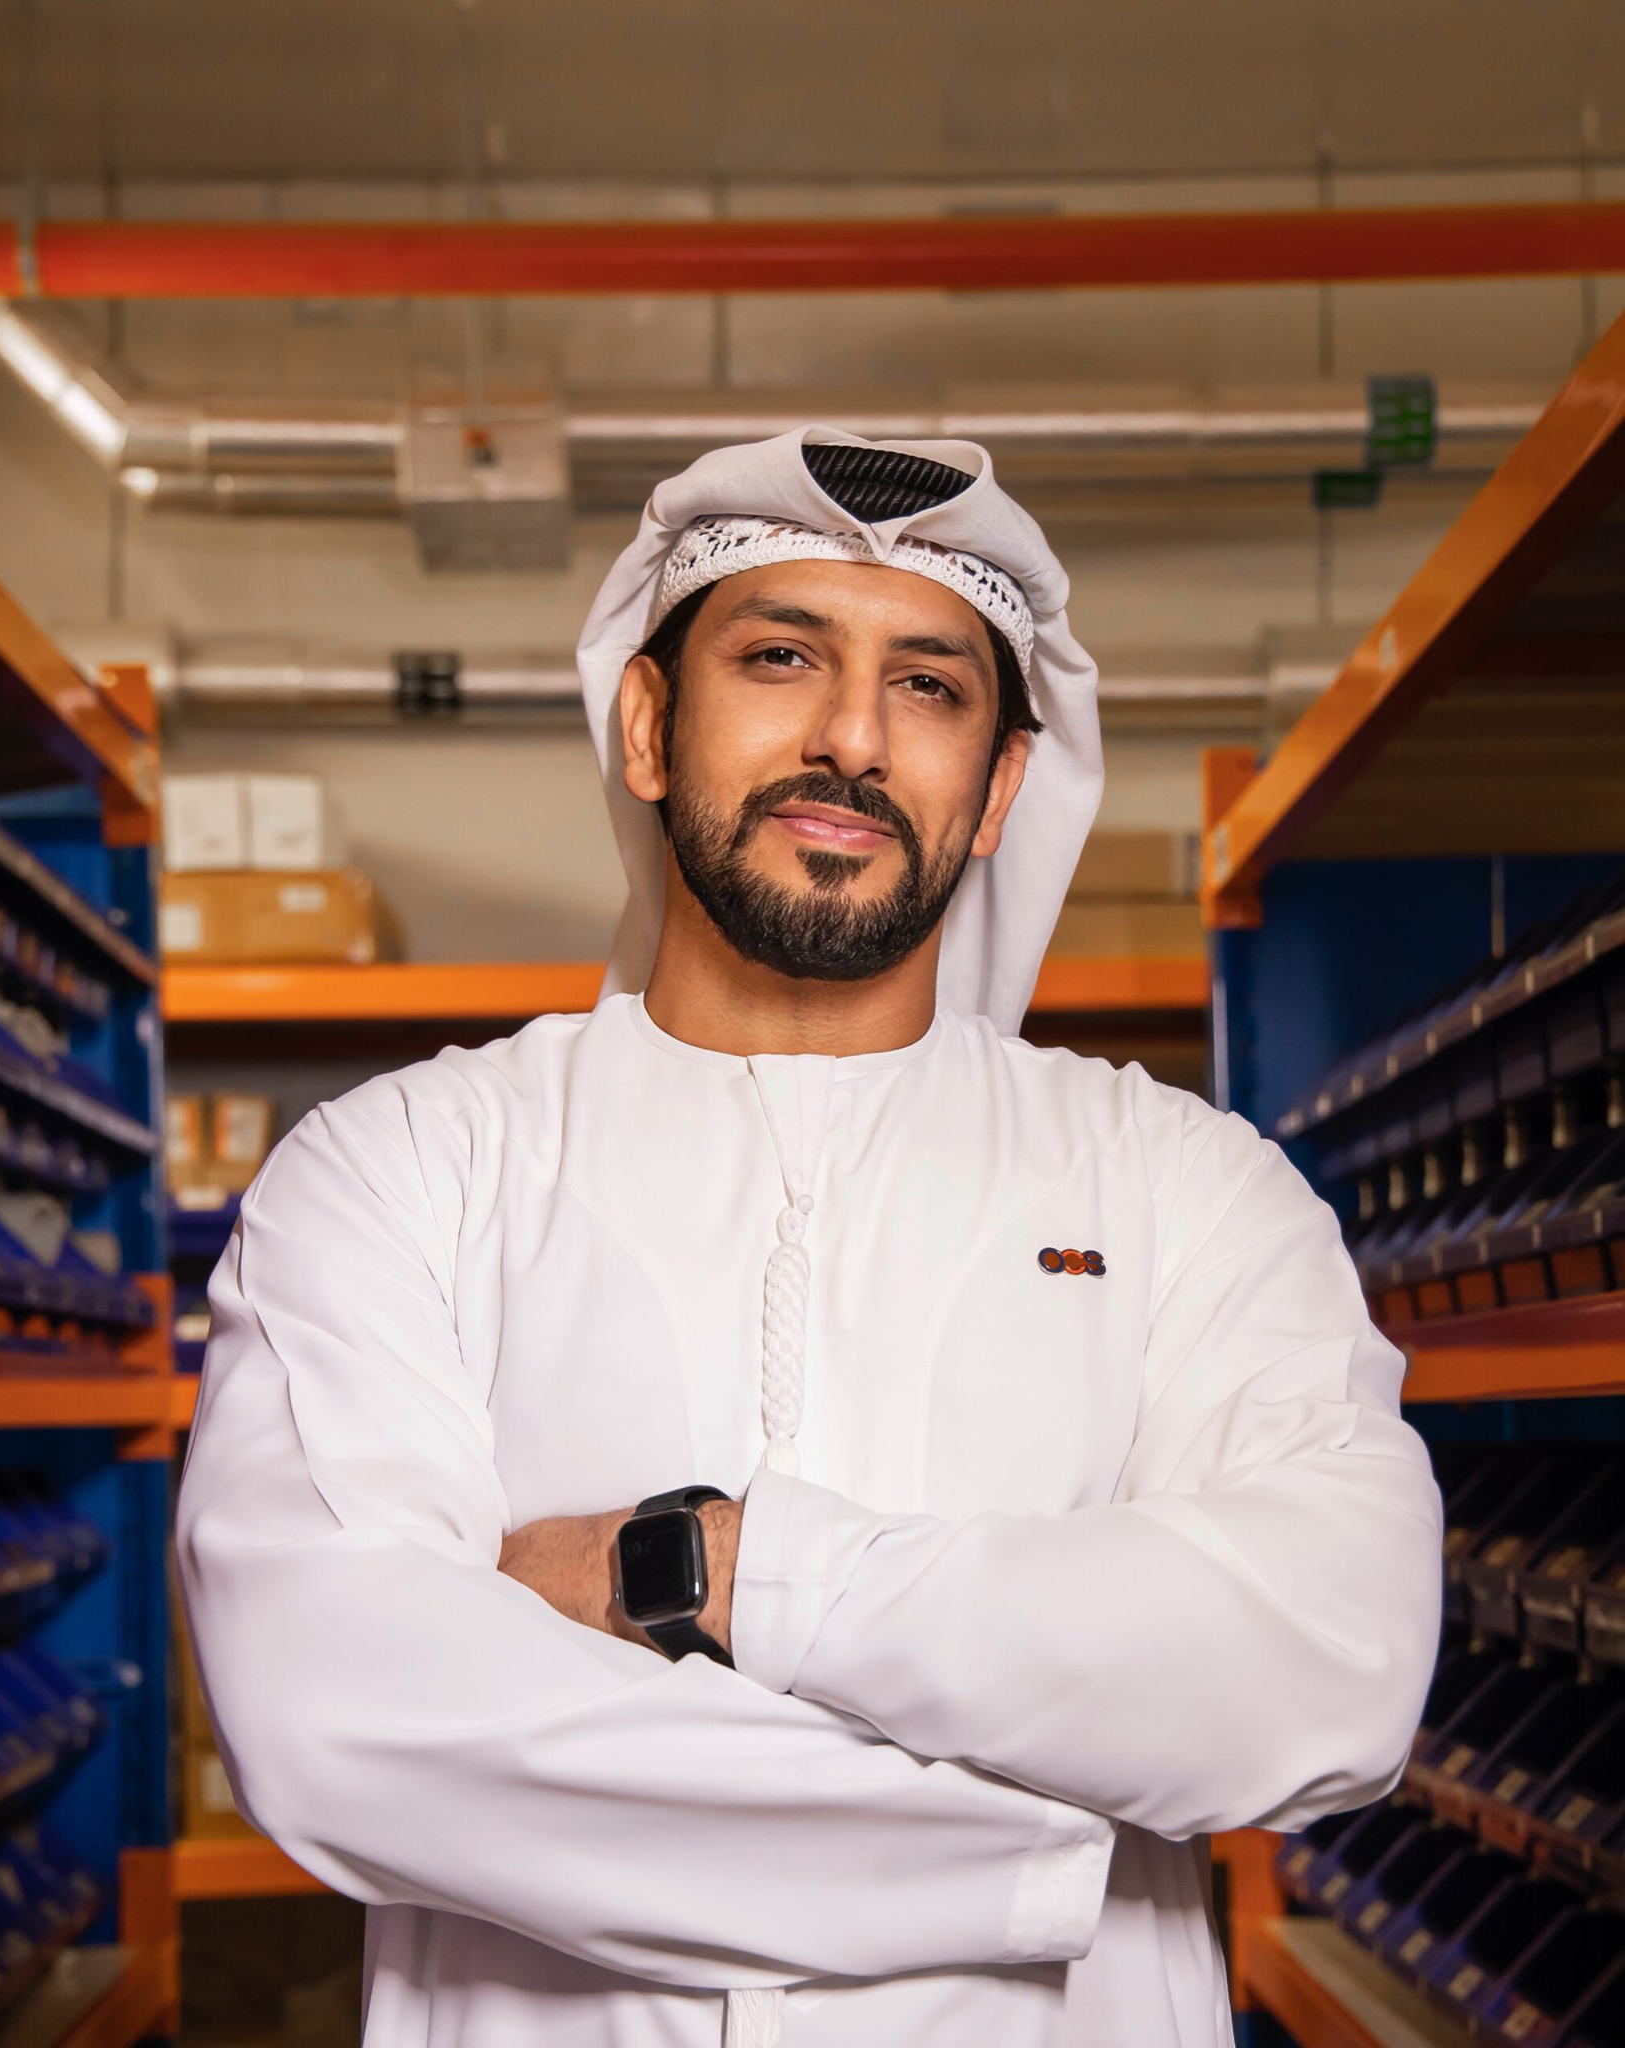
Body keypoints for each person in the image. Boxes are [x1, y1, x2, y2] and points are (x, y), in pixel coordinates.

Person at [175, 429, 1443, 2048]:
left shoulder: (1184, 1187)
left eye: (929, 686)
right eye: (779, 656)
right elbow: (346, 1715)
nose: (849, 738)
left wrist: (712, 1570)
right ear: (647, 726)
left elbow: (1324, 1655)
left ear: (995, 791)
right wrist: (1042, 1840)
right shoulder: (399, 1172)